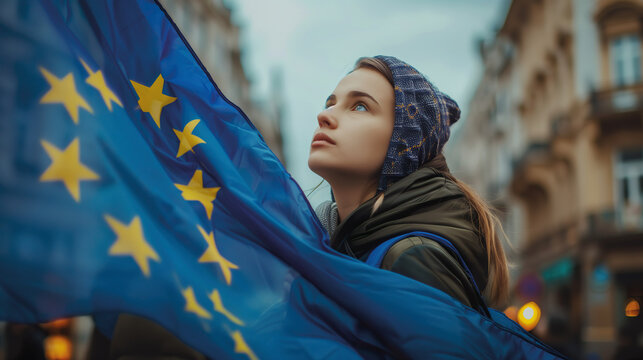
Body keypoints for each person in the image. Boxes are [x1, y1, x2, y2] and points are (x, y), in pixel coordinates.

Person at [311, 55, 509, 310]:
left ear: (402, 142)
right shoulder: (334, 246)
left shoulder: (414, 259)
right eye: (330, 103)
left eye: (359, 106)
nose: (324, 116)